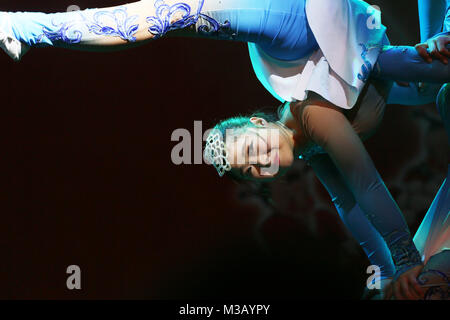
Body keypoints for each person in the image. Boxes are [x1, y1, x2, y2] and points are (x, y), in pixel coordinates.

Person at [1, 0, 449, 299]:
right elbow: (349, 204)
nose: (262, 162)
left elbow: (365, 182)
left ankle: (27, 25)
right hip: (347, 48)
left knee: (174, 15)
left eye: (252, 149)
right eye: (254, 170)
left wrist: (405, 259)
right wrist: (386, 270)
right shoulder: (311, 144)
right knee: (434, 82)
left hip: (298, 27)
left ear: (259, 121)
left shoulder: (313, 115)